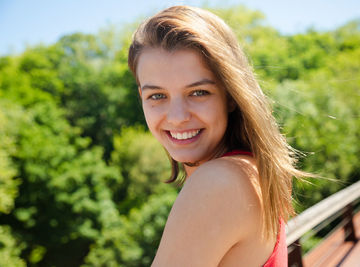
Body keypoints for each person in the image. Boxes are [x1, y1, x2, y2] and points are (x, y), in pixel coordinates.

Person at [128, 5, 305, 267]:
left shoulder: (218, 183)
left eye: (198, 92)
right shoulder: (250, 169)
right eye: (157, 96)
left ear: (231, 96)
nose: (177, 116)